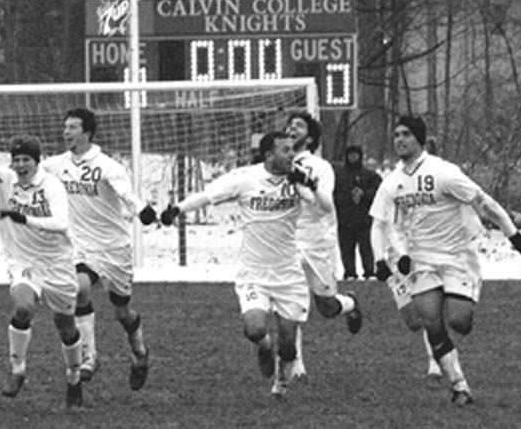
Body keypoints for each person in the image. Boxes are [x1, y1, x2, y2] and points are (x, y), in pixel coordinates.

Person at [369, 116, 521, 406]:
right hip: (421, 259)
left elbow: (482, 201)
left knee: (459, 321)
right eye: (396, 135)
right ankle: (459, 385)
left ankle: (458, 303)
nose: (399, 140)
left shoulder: (443, 172)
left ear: (419, 138)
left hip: (457, 256)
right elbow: (388, 224)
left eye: (406, 134)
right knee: (431, 322)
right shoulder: (392, 183)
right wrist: (383, 257)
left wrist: (513, 234)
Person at [159, 131, 314, 399]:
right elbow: (209, 195)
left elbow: (320, 204)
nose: (292, 155)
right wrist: (178, 209)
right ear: (269, 155)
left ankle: (281, 383)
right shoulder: (246, 178)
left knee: (289, 346)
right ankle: (264, 345)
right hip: (254, 272)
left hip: (289, 273)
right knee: (254, 328)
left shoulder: (299, 177)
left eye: (293, 150)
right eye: (286, 150)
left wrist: (309, 186)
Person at [0, 111, 85, 409]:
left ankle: (74, 378)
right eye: (17, 159)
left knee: (66, 327)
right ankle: (17, 370)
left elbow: (61, 223)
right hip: (23, 262)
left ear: (37, 161)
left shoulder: (51, 186)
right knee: (23, 308)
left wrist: (24, 218)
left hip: (57, 264)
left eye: (27, 160)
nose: (21, 165)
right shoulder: (4, 179)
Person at [38, 108, 154, 390]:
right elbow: (24, 175)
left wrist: (142, 211)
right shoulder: (55, 165)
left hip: (113, 248)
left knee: (122, 313)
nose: (67, 132)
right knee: (78, 288)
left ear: (87, 132)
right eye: (65, 127)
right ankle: (90, 356)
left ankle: (139, 352)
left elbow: (127, 194)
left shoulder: (108, 166)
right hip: (80, 246)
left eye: (73, 127)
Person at [284, 113, 362, 381]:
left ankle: (351, 303)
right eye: (290, 125)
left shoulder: (321, 167)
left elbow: (326, 205)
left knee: (326, 307)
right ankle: (296, 366)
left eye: (299, 125)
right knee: (290, 303)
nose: (292, 128)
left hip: (317, 242)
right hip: (286, 242)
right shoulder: (278, 163)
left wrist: (304, 186)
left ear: (311, 136)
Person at [334, 145, 381, 280]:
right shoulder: (339, 175)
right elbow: (333, 195)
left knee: (366, 247)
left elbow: (379, 193)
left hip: (364, 219)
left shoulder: (370, 175)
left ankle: (369, 272)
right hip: (345, 219)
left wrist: (364, 194)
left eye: (355, 155)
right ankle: (350, 272)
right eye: (350, 155)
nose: (353, 158)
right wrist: (349, 196)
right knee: (347, 248)